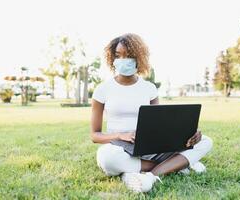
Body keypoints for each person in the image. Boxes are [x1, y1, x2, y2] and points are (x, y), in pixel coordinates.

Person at [91, 33, 213, 193]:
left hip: (150, 146)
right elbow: (95, 135)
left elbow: (160, 123)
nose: (123, 60)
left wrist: (190, 133)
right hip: (119, 147)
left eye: (129, 56)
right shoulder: (102, 89)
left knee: (206, 141)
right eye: (118, 55)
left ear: (139, 58)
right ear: (112, 58)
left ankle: (148, 176)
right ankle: (177, 164)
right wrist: (120, 135)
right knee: (106, 159)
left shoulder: (149, 88)